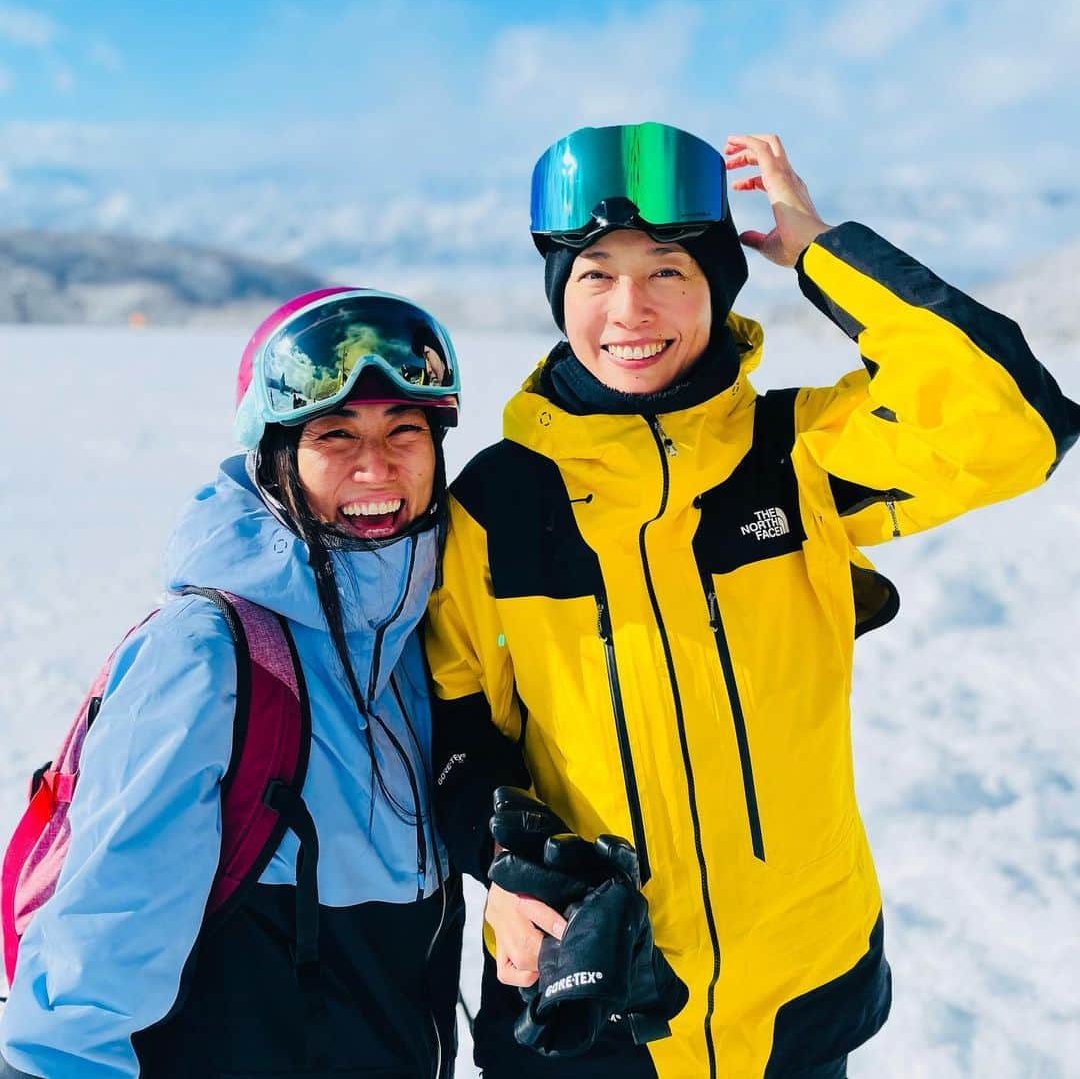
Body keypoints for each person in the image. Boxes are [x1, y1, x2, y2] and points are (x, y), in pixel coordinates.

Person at [424, 125, 1080, 1079]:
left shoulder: (797, 455)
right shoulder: (497, 505)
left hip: (797, 995)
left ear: (719, 287)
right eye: (596, 276)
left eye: (669, 272)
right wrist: (508, 864)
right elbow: (451, 729)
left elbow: (1014, 427)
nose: (630, 309)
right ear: (560, 295)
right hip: (596, 999)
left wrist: (822, 251)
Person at [0, 287, 466, 1079]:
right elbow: (101, 945)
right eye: (335, 434)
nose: (377, 466)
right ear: (274, 455)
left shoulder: (414, 642)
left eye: (405, 430)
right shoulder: (208, 653)